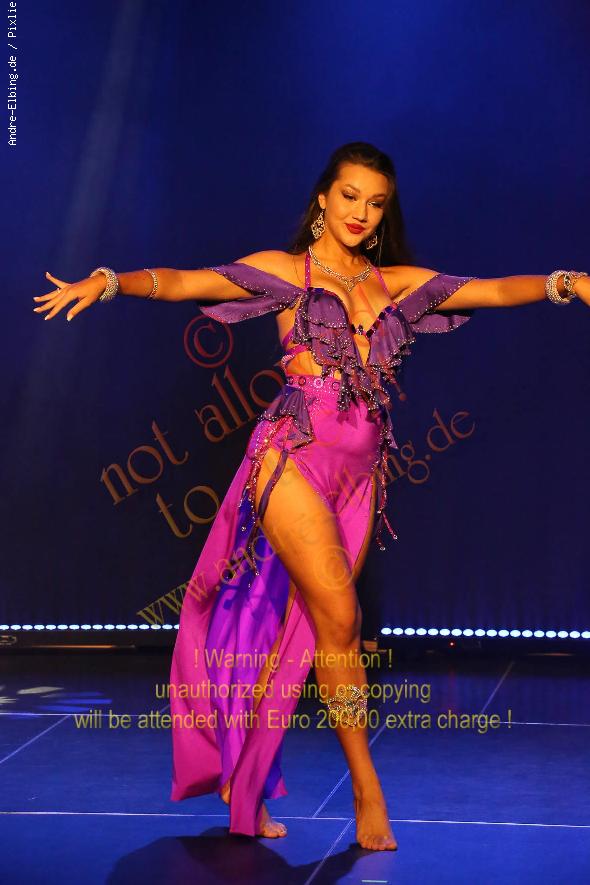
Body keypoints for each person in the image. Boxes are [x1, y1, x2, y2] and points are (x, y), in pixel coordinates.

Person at [34, 142, 589, 852]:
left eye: (375, 203)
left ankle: (246, 780)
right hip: (289, 459)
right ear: (324, 197)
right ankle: (366, 787)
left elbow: (494, 291)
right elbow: (182, 281)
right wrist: (109, 281)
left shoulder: (397, 285)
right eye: (349, 195)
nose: (361, 212)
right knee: (342, 615)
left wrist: (569, 282)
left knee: (310, 634)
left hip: (359, 481)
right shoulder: (285, 273)